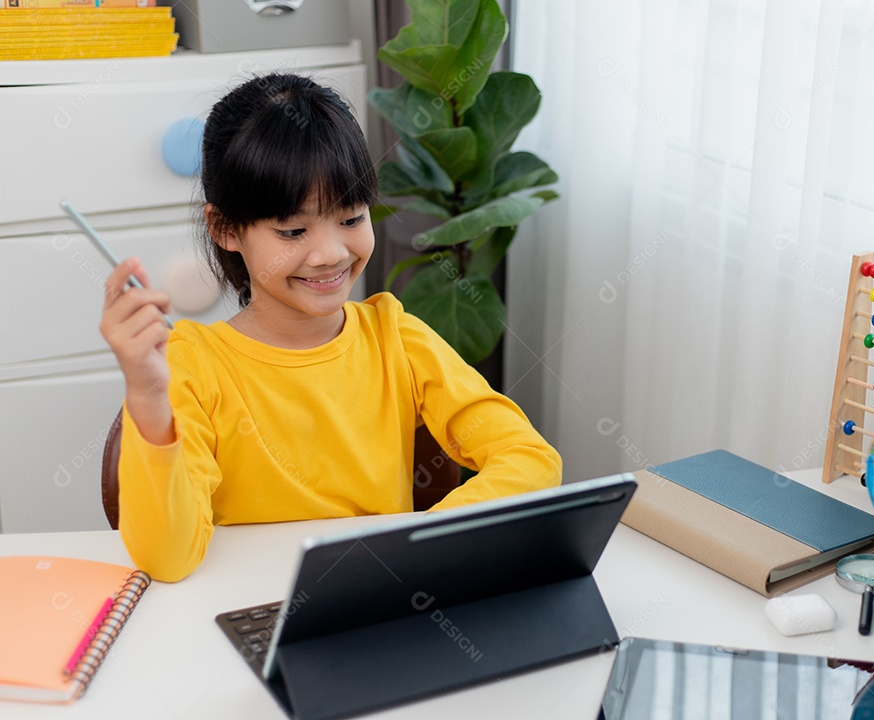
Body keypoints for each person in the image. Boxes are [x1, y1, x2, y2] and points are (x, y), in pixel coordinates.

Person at [100, 74, 561, 582]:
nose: (331, 254)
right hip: (251, 612)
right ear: (225, 229)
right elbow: (167, 558)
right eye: (294, 231)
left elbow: (530, 458)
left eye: (351, 217)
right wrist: (146, 397)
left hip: (381, 603)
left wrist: (420, 542)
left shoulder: (396, 338)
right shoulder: (193, 363)